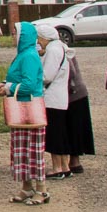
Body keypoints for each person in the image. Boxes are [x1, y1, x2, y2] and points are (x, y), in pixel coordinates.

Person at [0, 22, 49, 205]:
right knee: (21, 149)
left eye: (15, 33)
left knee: (33, 150)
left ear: (23, 36)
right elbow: (18, 78)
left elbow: (30, 85)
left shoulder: (29, 56)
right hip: (20, 108)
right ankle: (27, 187)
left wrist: (9, 88)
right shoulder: (22, 55)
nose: (12, 37)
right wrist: (5, 84)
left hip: (30, 108)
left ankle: (41, 190)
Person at [37, 23, 72, 179]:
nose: (38, 41)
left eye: (39, 38)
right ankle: (65, 166)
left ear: (45, 38)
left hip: (52, 97)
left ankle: (57, 167)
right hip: (60, 97)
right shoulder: (61, 47)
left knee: (54, 134)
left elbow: (47, 76)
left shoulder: (52, 50)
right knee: (62, 133)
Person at [63, 45, 95, 174]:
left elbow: (71, 72)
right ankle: (70, 161)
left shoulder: (64, 51)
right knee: (70, 126)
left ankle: (74, 161)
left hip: (74, 94)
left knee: (74, 126)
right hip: (68, 94)